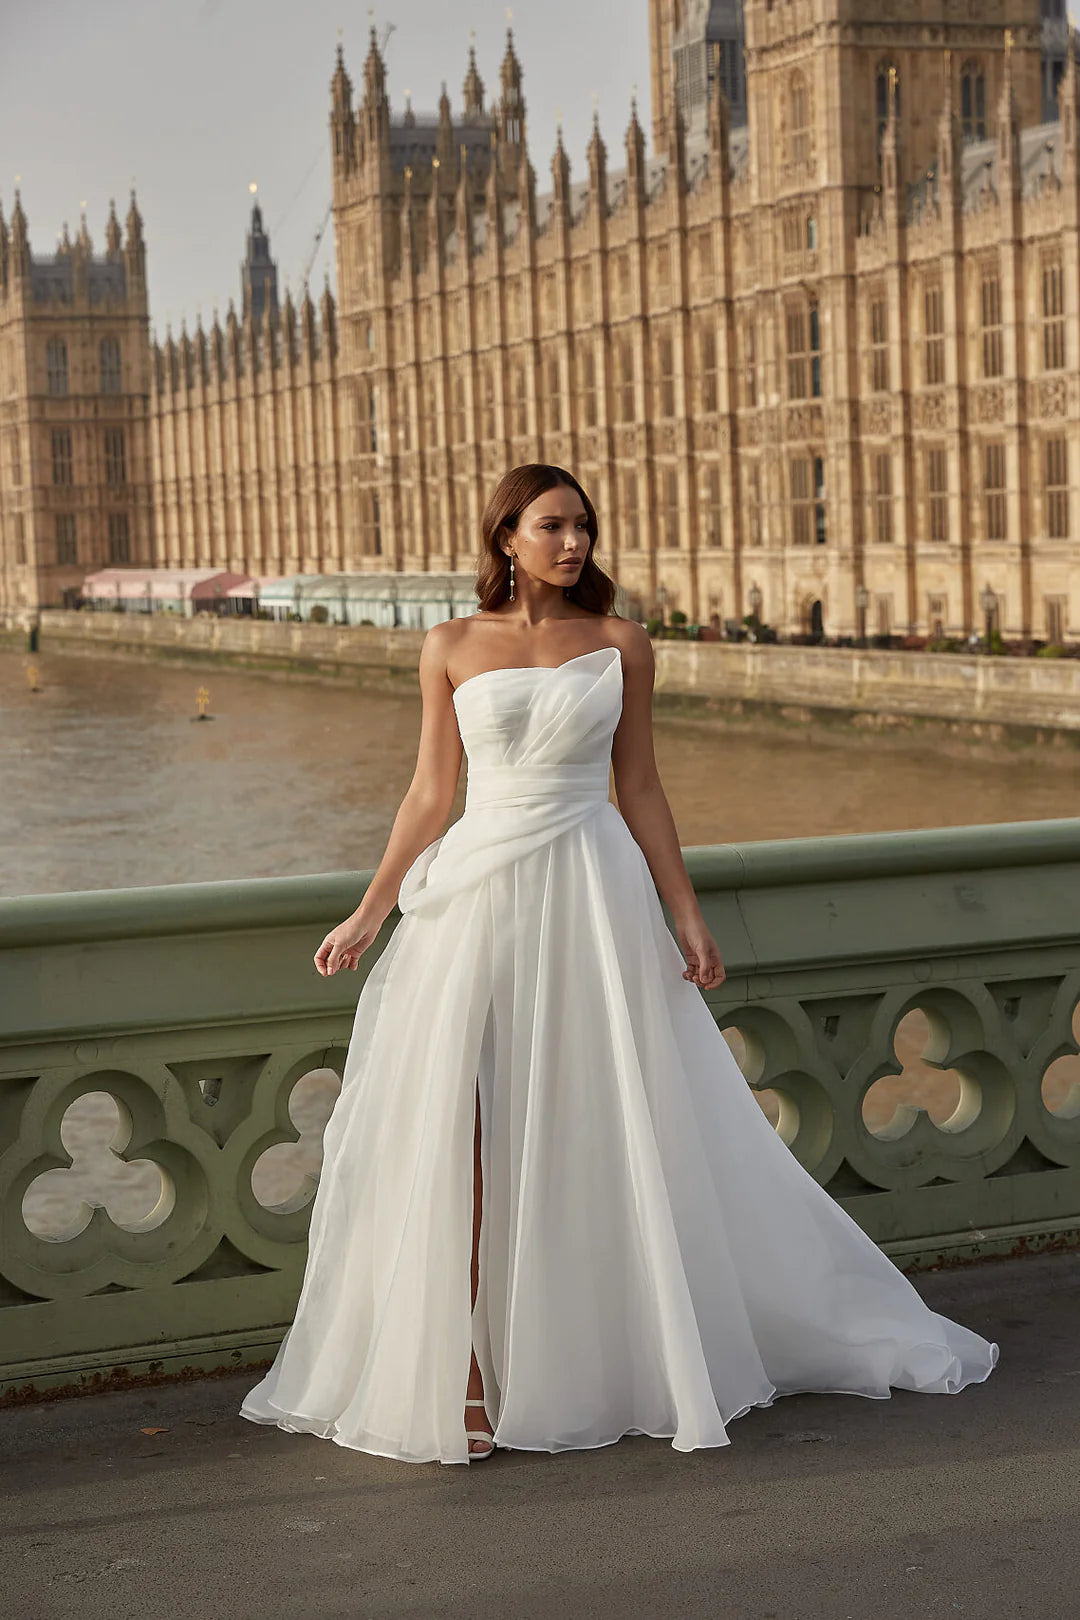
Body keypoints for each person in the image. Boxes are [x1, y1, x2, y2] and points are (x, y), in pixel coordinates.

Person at [241, 464, 997, 1464]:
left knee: (598, 1122)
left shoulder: (621, 643)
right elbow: (429, 795)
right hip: (475, 895)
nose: (574, 543)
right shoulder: (449, 646)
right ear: (504, 534)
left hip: (592, 893)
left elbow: (639, 788)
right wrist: (371, 909)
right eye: (553, 525)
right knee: (458, 1128)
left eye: (583, 527)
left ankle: (598, 1355)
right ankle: (462, 1373)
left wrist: (686, 915)